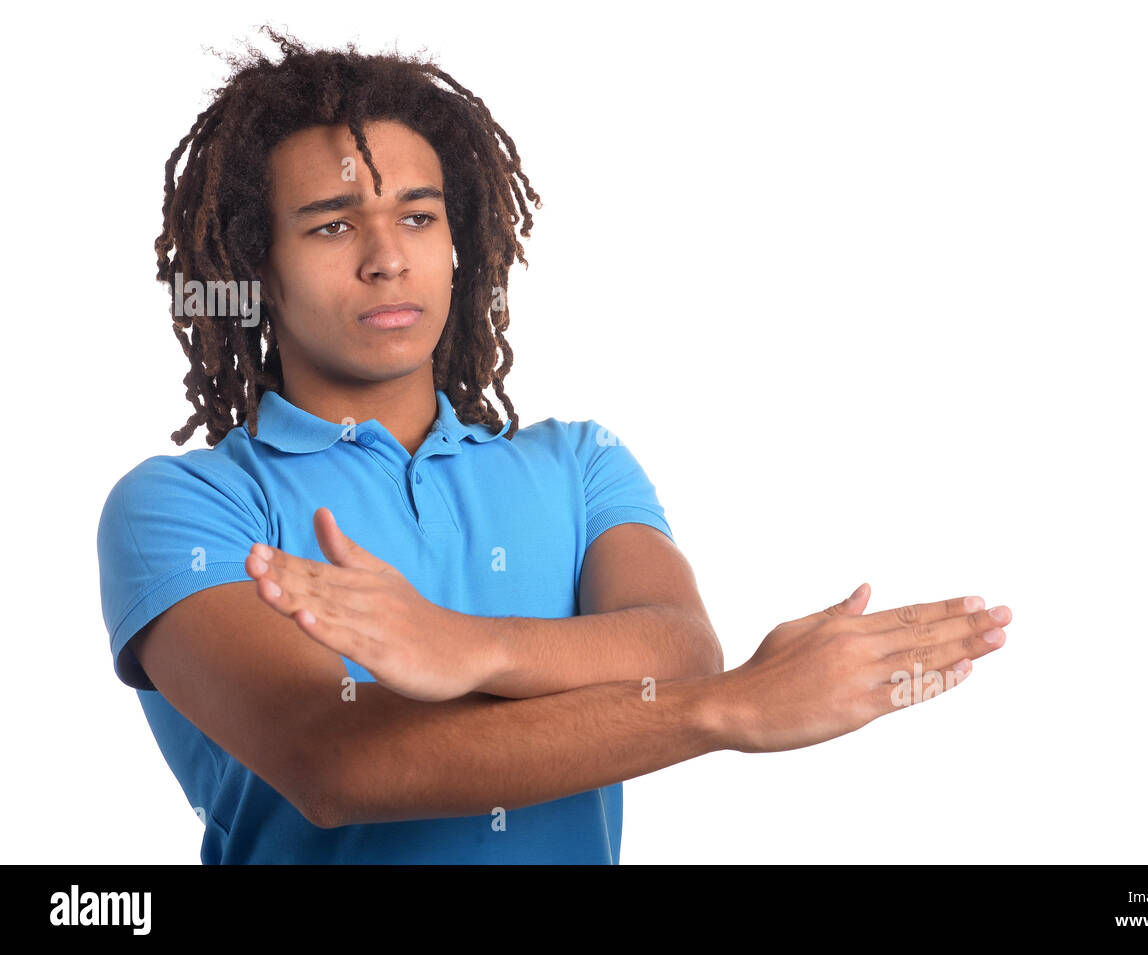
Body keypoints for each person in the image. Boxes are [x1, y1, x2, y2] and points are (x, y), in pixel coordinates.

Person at [96, 26, 1011, 864]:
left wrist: (468, 648)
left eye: (418, 216)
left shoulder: (579, 464)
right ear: (253, 265)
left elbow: (679, 647)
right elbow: (338, 764)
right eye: (333, 224)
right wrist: (733, 707)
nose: (388, 258)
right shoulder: (182, 506)